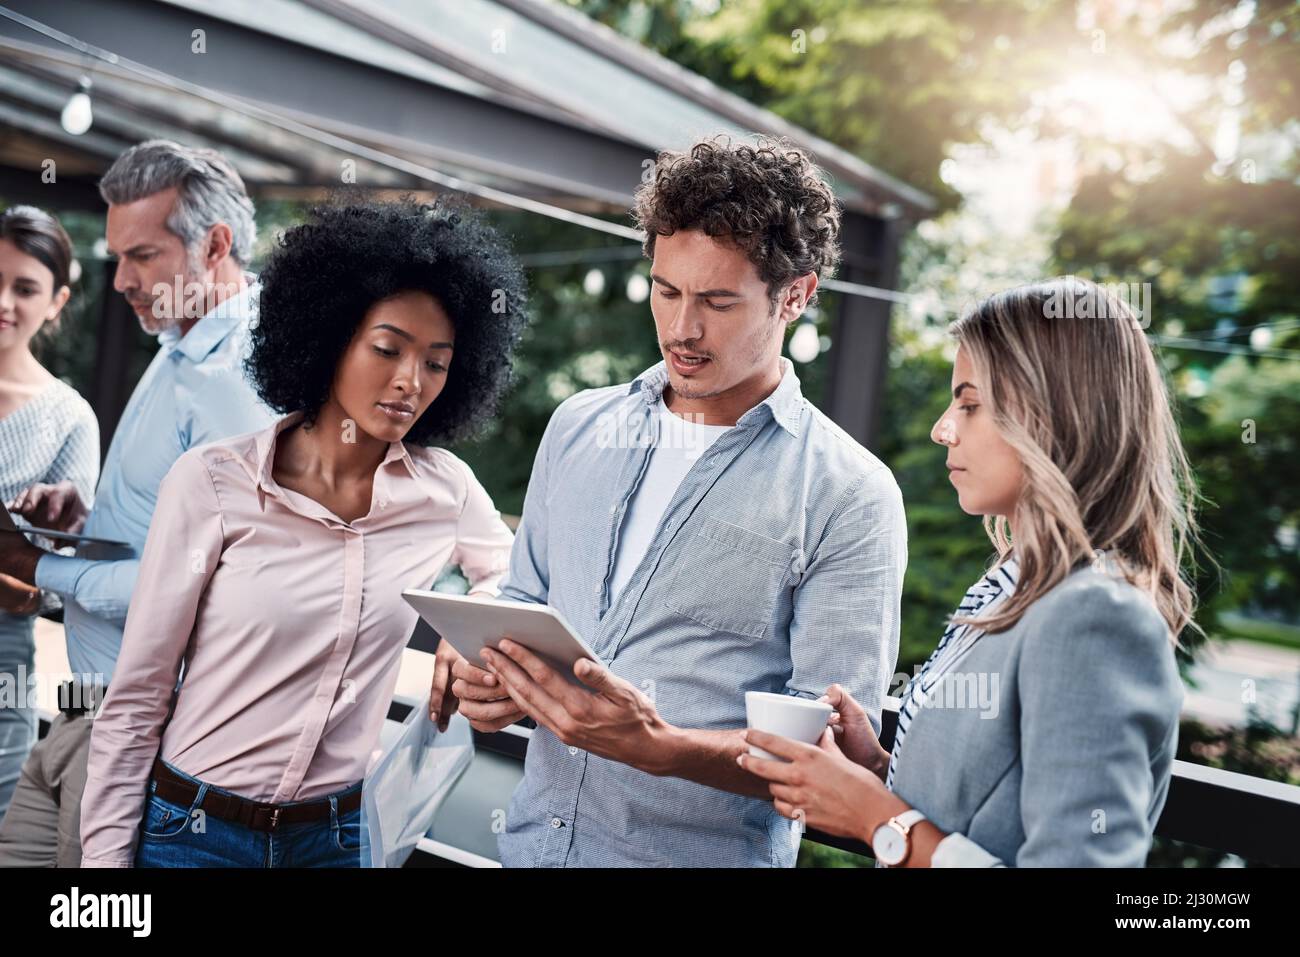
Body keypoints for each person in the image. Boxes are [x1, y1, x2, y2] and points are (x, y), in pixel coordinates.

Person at [432, 135, 907, 867]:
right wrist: (490, 675)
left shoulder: (850, 495)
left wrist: (659, 748)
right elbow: (525, 607)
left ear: (797, 296)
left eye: (718, 301)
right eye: (666, 289)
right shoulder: (578, 428)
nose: (682, 328)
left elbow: (832, 756)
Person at [79, 198, 524, 867]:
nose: (411, 381)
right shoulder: (213, 483)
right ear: (329, 336)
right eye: (387, 349)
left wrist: (477, 629)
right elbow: (138, 694)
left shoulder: (444, 490)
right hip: (193, 834)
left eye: (436, 362)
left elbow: (517, 576)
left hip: (337, 839)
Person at [739, 277, 1192, 867]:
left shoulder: (1096, 616)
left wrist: (875, 816)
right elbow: (977, 812)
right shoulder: (1017, 587)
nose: (942, 428)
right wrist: (874, 770)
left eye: (970, 404)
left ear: (1054, 416)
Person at [0, 140, 276, 866]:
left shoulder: (239, 378)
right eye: (118, 255)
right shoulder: (181, 337)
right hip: (83, 709)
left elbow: (205, 581)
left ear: (215, 245)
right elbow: (163, 527)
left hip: (135, 734)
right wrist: (84, 516)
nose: (119, 279)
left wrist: (34, 564)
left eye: (142, 256)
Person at [0, 206, 99, 822]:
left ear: (56, 301)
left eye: (25, 288)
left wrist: (25, 579)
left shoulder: (69, 419)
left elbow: (57, 581)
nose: (4, 302)